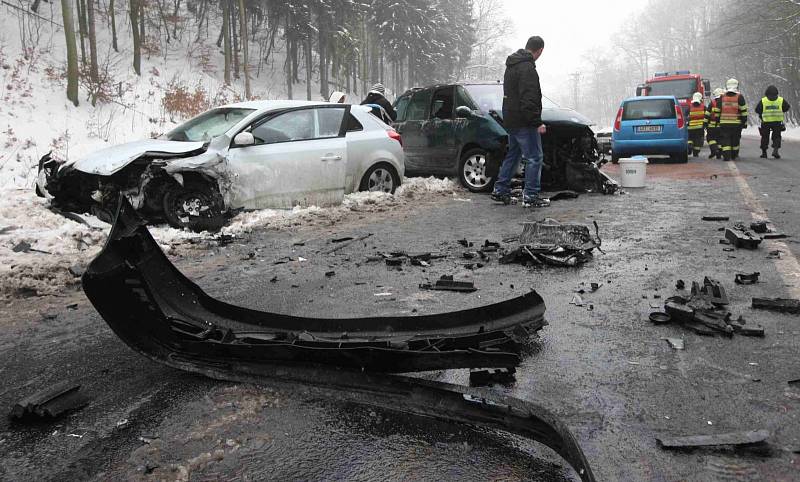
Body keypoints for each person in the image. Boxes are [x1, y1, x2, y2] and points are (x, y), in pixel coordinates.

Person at [491, 36, 549, 208]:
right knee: (534, 157)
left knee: (514, 155)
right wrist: (536, 121)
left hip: (511, 119)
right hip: (525, 121)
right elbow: (528, 98)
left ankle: (500, 190)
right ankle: (531, 196)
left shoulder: (512, 66)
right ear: (540, 51)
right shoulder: (527, 68)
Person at [713, 78, 748, 161]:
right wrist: (744, 122)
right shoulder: (740, 97)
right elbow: (744, 111)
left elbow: (717, 110)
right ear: (737, 86)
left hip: (724, 123)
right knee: (735, 139)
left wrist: (717, 120)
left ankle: (726, 155)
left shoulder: (722, 97)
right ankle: (734, 154)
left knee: (725, 139)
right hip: (736, 124)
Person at [755, 85, 791, 159]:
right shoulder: (780, 100)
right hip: (777, 122)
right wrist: (781, 110)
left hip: (766, 122)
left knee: (765, 137)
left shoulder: (763, 100)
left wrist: (761, 115)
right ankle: (776, 150)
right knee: (777, 136)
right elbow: (787, 107)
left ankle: (764, 153)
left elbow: (757, 110)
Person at [705, 88, 725, 159]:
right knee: (719, 139)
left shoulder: (712, 103)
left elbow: (707, 114)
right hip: (722, 126)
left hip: (712, 126)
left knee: (710, 138)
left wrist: (705, 124)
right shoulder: (725, 102)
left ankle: (715, 150)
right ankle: (719, 152)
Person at [687, 92, 706, 157]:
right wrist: (705, 125)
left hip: (690, 128)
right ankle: (696, 153)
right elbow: (707, 116)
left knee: (690, 138)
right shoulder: (703, 107)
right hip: (700, 128)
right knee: (698, 140)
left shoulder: (689, 107)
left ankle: (689, 146)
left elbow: (685, 116)